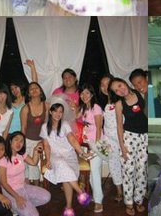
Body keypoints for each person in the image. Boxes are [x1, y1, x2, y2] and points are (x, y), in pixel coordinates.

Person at [40, 103, 90, 216]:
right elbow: (46, 145)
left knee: (66, 176)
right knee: (62, 164)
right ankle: (80, 192)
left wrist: (81, 153)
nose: (58, 114)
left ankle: (69, 207)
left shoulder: (65, 124)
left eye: (60, 112)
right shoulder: (44, 127)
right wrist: (48, 160)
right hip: (54, 156)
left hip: (69, 155)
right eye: (55, 111)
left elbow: (72, 139)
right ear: (50, 112)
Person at [109, 78, 148, 216]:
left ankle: (139, 200)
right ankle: (129, 202)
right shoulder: (119, 104)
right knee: (128, 171)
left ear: (124, 83)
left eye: (120, 85)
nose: (120, 90)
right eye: (116, 90)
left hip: (145, 137)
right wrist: (122, 146)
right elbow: (119, 126)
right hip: (129, 138)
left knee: (141, 170)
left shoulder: (140, 94)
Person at [0, 131, 50, 216]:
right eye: (16, 140)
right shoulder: (3, 159)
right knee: (34, 215)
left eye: (22, 141)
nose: (19, 143)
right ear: (10, 141)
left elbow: (33, 162)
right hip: (10, 191)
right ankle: (15, 207)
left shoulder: (21, 154)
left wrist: (35, 150)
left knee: (46, 196)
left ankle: (24, 206)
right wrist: (17, 197)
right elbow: (3, 183)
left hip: (23, 187)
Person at [76, 85, 104, 213]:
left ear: (92, 94)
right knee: (93, 172)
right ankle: (97, 196)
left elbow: (99, 128)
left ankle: (98, 202)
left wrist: (96, 147)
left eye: (87, 93)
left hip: (97, 143)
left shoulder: (96, 107)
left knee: (95, 172)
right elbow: (74, 117)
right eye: (82, 93)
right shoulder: (84, 108)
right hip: (87, 143)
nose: (84, 96)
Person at [20, 82, 48, 185]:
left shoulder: (47, 106)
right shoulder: (25, 108)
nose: (34, 90)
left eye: (36, 88)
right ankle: (27, 189)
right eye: (31, 89)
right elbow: (23, 128)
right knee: (26, 167)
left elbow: (48, 127)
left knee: (36, 166)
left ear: (41, 91)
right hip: (28, 140)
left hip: (42, 141)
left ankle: (38, 188)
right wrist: (22, 145)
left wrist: (43, 142)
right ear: (28, 93)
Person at [101, 81, 123, 203]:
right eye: (102, 85)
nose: (105, 87)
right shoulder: (102, 102)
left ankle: (131, 189)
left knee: (126, 164)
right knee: (113, 164)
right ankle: (119, 191)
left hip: (122, 138)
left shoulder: (120, 100)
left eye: (107, 84)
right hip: (109, 140)